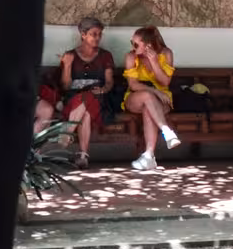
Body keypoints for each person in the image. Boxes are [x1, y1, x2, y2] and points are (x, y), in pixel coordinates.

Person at [54, 16, 115, 168]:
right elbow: (66, 87)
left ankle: (67, 132)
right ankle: (82, 156)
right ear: (83, 34)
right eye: (94, 34)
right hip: (73, 97)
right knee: (85, 109)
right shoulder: (70, 54)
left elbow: (109, 82)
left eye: (100, 34)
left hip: (98, 97)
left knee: (88, 98)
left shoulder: (105, 55)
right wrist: (67, 66)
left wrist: (103, 89)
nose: (97, 38)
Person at [122, 26, 181, 171]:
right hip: (136, 97)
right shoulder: (131, 57)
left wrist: (154, 62)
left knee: (149, 108)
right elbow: (133, 84)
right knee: (148, 97)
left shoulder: (166, 54)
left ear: (148, 46)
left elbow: (165, 82)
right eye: (132, 43)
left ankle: (149, 155)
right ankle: (166, 130)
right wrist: (155, 92)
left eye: (136, 44)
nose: (132, 47)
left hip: (162, 99)